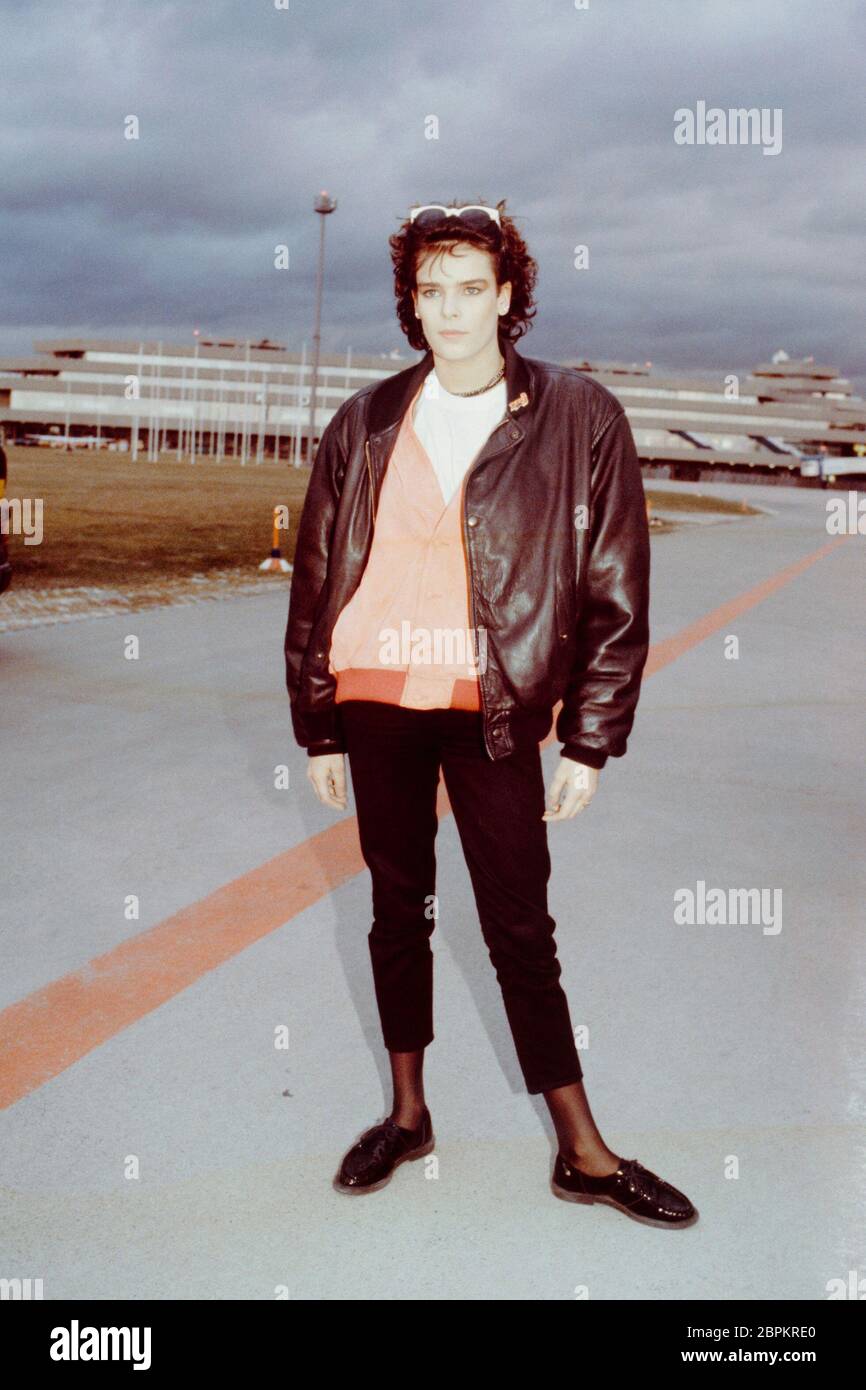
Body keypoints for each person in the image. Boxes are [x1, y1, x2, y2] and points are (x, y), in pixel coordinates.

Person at [284, 199, 697, 1228]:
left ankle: (581, 1149)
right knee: (394, 910)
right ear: (410, 304)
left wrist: (591, 739)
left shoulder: (577, 415)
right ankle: (408, 1112)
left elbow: (615, 587)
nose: (450, 309)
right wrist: (319, 717)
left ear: (507, 296)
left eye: (471, 287)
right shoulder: (369, 418)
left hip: (495, 707)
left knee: (518, 925)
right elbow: (318, 572)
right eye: (431, 290)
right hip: (377, 695)